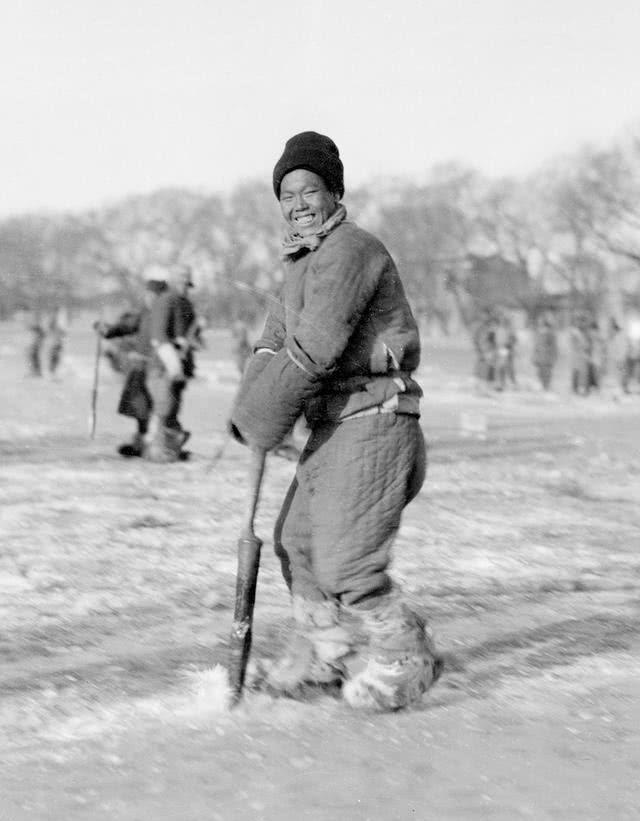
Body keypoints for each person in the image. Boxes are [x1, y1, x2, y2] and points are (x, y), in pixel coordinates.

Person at [230, 131, 441, 711]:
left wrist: (264, 419)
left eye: (311, 190)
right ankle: (329, 652)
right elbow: (274, 343)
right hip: (333, 422)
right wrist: (253, 408)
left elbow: (318, 344)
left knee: (348, 557)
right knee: (296, 543)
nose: (298, 204)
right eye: (287, 194)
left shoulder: (351, 250)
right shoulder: (300, 262)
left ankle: (405, 654)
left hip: (375, 416)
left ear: (334, 193)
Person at [95, 266, 168, 457]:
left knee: (160, 408)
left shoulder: (165, 315)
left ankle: (160, 444)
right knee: (140, 407)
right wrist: (107, 330)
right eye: (148, 295)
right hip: (141, 368)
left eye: (154, 295)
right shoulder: (143, 314)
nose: (149, 298)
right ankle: (141, 442)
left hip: (158, 367)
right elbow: (126, 326)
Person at [144, 263, 198, 462]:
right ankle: (156, 450)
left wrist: (197, 332)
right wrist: (172, 361)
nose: (186, 287)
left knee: (172, 409)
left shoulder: (185, 303)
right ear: (173, 282)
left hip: (179, 366)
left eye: (187, 283)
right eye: (182, 283)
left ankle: (168, 448)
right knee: (163, 408)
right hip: (163, 366)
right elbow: (158, 335)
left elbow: (188, 333)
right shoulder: (165, 300)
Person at [532, 313, 558, 391]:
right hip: (541, 354)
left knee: (546, 371)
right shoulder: (539, 332)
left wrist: (553, 355)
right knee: (541, 371)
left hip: (546, 355)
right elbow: (536, 345)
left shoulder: (550, 333)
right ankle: (544, 385)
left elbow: (553, 346)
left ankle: (546, 385)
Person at [47, 307, 67, 377]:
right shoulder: (55, 321)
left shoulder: (59, 321)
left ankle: (54, 372)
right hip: (55, 342)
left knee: (55, 357)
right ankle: (53, 372)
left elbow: (63, 332)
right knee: (54, 357)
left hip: (57, 342)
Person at [26, 312, 45, 377]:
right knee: (33, 357)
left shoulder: (39, 328)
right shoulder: (38, 328)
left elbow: (40, 336)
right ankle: (35, 371)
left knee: (34, 357)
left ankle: (36, 372)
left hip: (36, 345)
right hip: (36, 345)